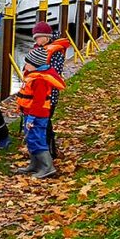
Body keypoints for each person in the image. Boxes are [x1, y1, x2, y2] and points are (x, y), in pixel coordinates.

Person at [15, 47, 66, 178]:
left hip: (37, 115)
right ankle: (35, 164)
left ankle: (47, 167)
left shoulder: (40, 81)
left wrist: (32, 117)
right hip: (30, 113)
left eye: (27, 63)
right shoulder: (34, 76)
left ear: (35, 65)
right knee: (31, 139)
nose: (25, 65)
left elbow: (38, 101)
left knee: (37, 139)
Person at [30, 21, 70, 158]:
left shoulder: (56, 51)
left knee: (44, 122)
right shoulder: (39, 48)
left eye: (38, 37)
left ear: (46, 37)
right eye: (35, 38)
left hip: (49, 94)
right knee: (42, 122)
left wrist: (37, 71)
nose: (36, 41)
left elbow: (55, 72)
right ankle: (45, 152)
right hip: (38, 92)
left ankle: (48, 153)